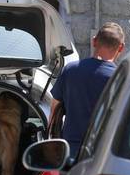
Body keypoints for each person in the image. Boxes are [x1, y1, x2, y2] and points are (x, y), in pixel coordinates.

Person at [50, 22, 125, 158]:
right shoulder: (120, 78)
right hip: (103, 155)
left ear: (94, 41)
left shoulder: (70, 70)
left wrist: (51, 142)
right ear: (121, 48)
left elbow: (54, 111)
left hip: (69, 153)